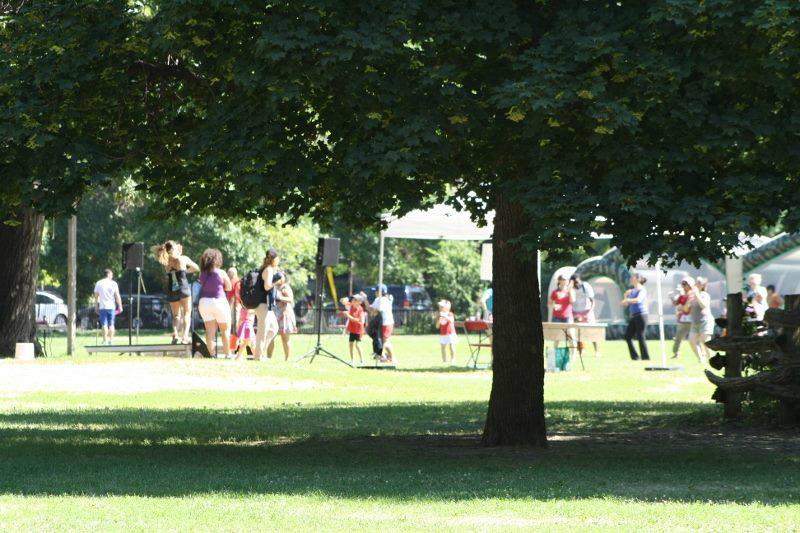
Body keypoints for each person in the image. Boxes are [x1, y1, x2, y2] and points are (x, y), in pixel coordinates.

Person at [152, 240, 199, 344]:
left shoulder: (166, 261)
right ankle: (185, 337)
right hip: (183, 288)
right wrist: (185, 271)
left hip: (171, 289)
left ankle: (175, 335)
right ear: (176, 249)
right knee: (187, 313)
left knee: (176, 315)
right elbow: (196, 268)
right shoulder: (183, 258)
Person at [197, 248, 233, 358]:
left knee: (209, 331)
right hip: (219, 302)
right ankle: (227, 354)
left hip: (204, 302)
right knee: (225, 330)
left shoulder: (202, 273)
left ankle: (211, 354)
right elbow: (229, 287)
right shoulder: (221, 272)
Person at [254, 248, 284, 360]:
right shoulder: (268, 269)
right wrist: (277, 281)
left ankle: (260, 353)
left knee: (274, 328)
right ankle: (258, 356)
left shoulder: (268, 269)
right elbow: (267, 286)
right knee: (263, 330)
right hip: (263, 304)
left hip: (266, 305)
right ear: (274, 259)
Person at [571, 274, 601, 357]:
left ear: (580, 280)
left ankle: (597, 351)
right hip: (576, 311)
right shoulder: (571, 288)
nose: (576, 284)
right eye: (574, 282)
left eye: (577, 282)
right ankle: (581, 350)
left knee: (592, 331)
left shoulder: (586, 286)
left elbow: (592, 301)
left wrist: (589, 313)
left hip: (587, 311)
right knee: (577, 332)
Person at [269, 275, 297, 361]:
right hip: (274, 313)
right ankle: (268, 357)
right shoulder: (272, 286)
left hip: (284, 314)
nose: (279, 279)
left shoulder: (285, 287)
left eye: (281, 277)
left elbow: (290, 299)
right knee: (270, 336)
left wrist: (279, 297)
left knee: (285, 338)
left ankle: (287, 359)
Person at [622, 273, 650, 361]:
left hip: (642, 315)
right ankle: (635, 357)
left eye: (632, 277)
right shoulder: (632, 290)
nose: (631, 278)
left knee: (640, 336)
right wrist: (625, 296)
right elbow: (626, 304)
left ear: (638, 279)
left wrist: (627, 299)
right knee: (627, 336)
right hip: (634, 316)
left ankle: (645, 357)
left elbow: (638, 300)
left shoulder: (642, 289)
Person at [688, 276, 715, 364]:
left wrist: (697, 295)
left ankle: (712, 359)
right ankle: (700, 358)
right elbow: (686, 308)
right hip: (695, 322)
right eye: (696, 282)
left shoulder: (705, 295)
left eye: (699, 283)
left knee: (705, 341)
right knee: (692, 341)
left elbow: (704, 306)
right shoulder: (692, 295)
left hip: (705, 321)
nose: (696, 284)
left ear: (703, 285)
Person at [93, 269, 123, 345]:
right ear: (109, 274)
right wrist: (120, 306)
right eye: (112, 275)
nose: (112, 276)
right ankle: (111, 340)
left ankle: (105, 340)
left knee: (104, 324)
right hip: (112, 307)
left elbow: (96, 297)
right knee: (111, 324)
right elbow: (117, 296)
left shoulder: (99, 283)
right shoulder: (113, 283)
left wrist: (96, 306)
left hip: (103, 307)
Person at [367, 284, 395, 363]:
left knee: (385, 342)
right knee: (380, 341)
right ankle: (384, 357)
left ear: (380, 292)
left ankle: (392, 358)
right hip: (381, 323)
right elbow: (370, 309)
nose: (375, 292)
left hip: (386, 323)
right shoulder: (378, 299)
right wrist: (365, 299)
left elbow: (378, 310)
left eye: (376, 291)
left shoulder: (384, 300)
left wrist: (373, 311)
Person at [548, 275, 575, 352]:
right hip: (557, 316)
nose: (565, 281)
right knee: (557, 336)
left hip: (568, 316)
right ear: (559, 281)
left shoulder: (570, 290)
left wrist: (569, 290)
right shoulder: (555, 292)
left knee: (571, 335)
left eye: (566, 279)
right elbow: (549, 303)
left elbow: (572, 301)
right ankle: (555, 353)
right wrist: (554, 305)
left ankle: (573, 354)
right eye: (563, 279)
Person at [671, 276, 695, 359]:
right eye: (683, 284)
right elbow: (676, 305)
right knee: (678, 338)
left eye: (686, 284)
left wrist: (681, 307)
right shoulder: (682, 295)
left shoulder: (693, 294)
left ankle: (702, 354)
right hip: (682, 320)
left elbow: (686, 307)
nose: (684, 286)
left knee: (695, 339)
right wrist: (673, 296)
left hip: (693, 320)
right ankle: (675, 353)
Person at [343, 294, 365, 364]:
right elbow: (343, 301)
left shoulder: (361, 310)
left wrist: (347, 315)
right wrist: (344, 300)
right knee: (351, 344)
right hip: (352, 329)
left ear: (359, 302)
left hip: (358, 330)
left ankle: (362, 360)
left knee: (357, 345)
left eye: (355, 300)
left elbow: (356, 320)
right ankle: (352, 360)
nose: (353, 301)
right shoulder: (351, 306)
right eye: (352, 299)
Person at [437, 299, 458, 364]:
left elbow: (452, 321)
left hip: (450, 333)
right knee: (443, 348)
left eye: (442, 307)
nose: (440, 308)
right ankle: (444, 361)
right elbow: (437, 326)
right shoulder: (439, 315)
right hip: (443, 333)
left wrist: (445, 316)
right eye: (440, 307)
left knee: (452, 346)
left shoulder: (450, 314)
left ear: (447, 307)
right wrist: (439, 321)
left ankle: (453, 359)